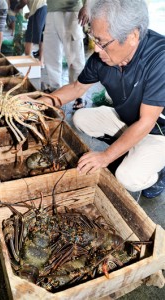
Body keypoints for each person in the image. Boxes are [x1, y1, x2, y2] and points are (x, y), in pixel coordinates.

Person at [39, 0, 165, 199]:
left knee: (128, 177)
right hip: (128, 119)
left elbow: (147, 121)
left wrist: (106, 156)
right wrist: (45, 101)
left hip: (158, 131)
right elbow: (76, 87)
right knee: (80, 118)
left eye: (102, 42)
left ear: (133, 36)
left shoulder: (160, 57)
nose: (96, 50)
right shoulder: (104, 56)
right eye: (94, 39)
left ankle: (157, 175)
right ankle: (128, 149)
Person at [43, 0, 88, 110]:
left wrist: (87, 6)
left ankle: (80, 96)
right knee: (51, 55)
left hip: (71, 11)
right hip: (51, 10)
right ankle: (55, 89)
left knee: (75, 59)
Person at [15, 0, 47, 66]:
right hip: (45, 8)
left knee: (30, 35)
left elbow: (24, 1)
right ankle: (41, 62)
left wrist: (17, 8)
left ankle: (28, 62)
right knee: (42, 36)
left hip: (37, 9)